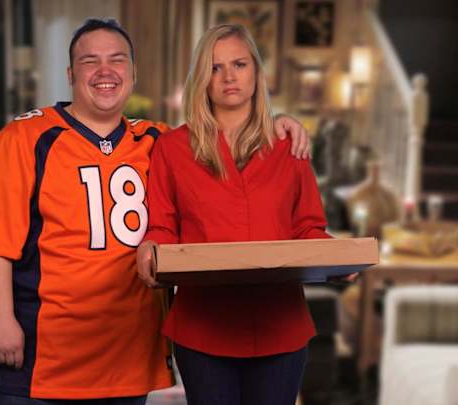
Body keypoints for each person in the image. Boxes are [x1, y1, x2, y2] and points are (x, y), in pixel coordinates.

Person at [0, 19, 311, 404]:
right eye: (89, 61)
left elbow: (221, 136)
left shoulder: (156, 139)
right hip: (46, 356)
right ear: (69, 74)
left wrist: (276, 124)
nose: (105, 71)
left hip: (129, 356)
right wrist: (1, 318)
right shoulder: (24, 138)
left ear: (133, 73)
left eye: (117, 60)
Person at [136, 24, 333, 405]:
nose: (229, 76)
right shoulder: (172, 149)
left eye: (239, 64)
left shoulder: (289, 146)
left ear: (256, 72)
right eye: (215, 67)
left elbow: (309, 228)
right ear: (202, 79)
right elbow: (162, 226)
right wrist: (150, 248)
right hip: (203, 329)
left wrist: (342, 258)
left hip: (281, 328)